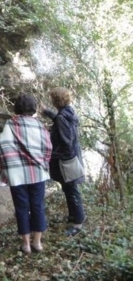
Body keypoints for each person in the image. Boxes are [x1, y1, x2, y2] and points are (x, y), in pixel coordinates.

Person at [0, 94, 52, 253]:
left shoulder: (10, 124)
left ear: (17, 107)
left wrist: (8, 167)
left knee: (21, 207)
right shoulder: (40, 125)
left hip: (17, 174)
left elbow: (2, 146)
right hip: (38, 172)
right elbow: (48, 148)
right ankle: (37, 242)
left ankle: (26, 244)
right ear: (33, 108)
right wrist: (43, 162)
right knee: (38, 205)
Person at [41, 87, 86, 237]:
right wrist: (48, 113)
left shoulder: (62, 117)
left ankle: (78, 223)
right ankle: (73, 216)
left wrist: (50, 155)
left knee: (72, 189)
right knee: (68, 188)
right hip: (71, 158)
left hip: (66, 161)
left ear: (56, 101)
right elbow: (61, 121)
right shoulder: (69, 112)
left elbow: (66, 143)